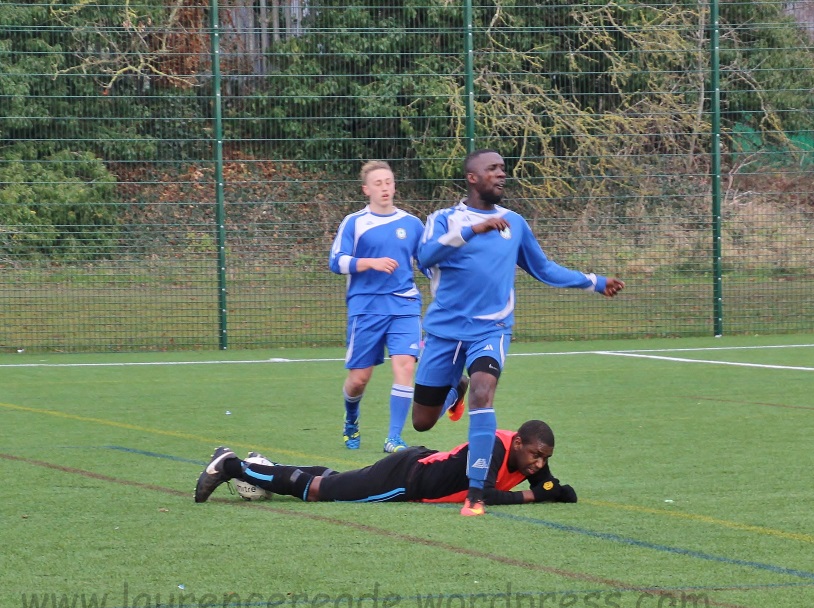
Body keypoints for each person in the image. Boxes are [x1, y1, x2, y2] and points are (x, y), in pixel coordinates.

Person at [412, 149, 625, 517]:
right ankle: (454, 389)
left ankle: (476, 493)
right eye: (492, 168)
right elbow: (424, 257)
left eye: (503, 168)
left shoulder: (514, 223)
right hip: (445, 332)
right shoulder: (444, 219)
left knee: (483, 391)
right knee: (422, 422)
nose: (501, 173)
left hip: (491, 329)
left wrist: (594, 281)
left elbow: (544, 269)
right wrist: (472, 230)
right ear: (472, 177)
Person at [328, 160, 452, 454]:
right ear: (366, 189)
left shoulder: (412, 224)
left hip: (404, 304)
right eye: (378, 183)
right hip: (366, 307)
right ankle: (351, 418)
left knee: (405, 365)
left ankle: (393, 438)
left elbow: (426, 263)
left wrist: (450, 285)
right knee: (359, 380)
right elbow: (336, 261)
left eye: (388, 182)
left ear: (394, 186)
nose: (384, 188)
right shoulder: (355, 222)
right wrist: (370, 262)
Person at [193, 419, 577, 507]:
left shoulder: (528, 457)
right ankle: (232, 466)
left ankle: (264, 466)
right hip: (405, 480)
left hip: (414, 464)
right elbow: (483, 495)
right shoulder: (492, 447)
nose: (538, 464)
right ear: (518, 442)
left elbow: (547, 484)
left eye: (544, 458)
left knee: (335, 479)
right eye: (535, 455)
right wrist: (536, 496)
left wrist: (554, 490)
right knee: (320, 491)